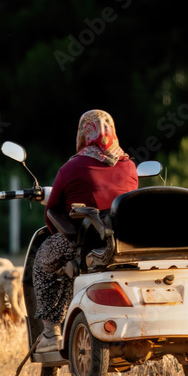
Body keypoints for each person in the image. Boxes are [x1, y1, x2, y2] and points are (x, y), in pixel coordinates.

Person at [32, 109, 138, 353]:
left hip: (87, 240)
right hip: (126, 241)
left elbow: (52, 210)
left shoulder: (72, 167)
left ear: (83, 133)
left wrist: (67, 238)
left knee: (43, 261)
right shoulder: (130, 165)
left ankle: (50, 333)